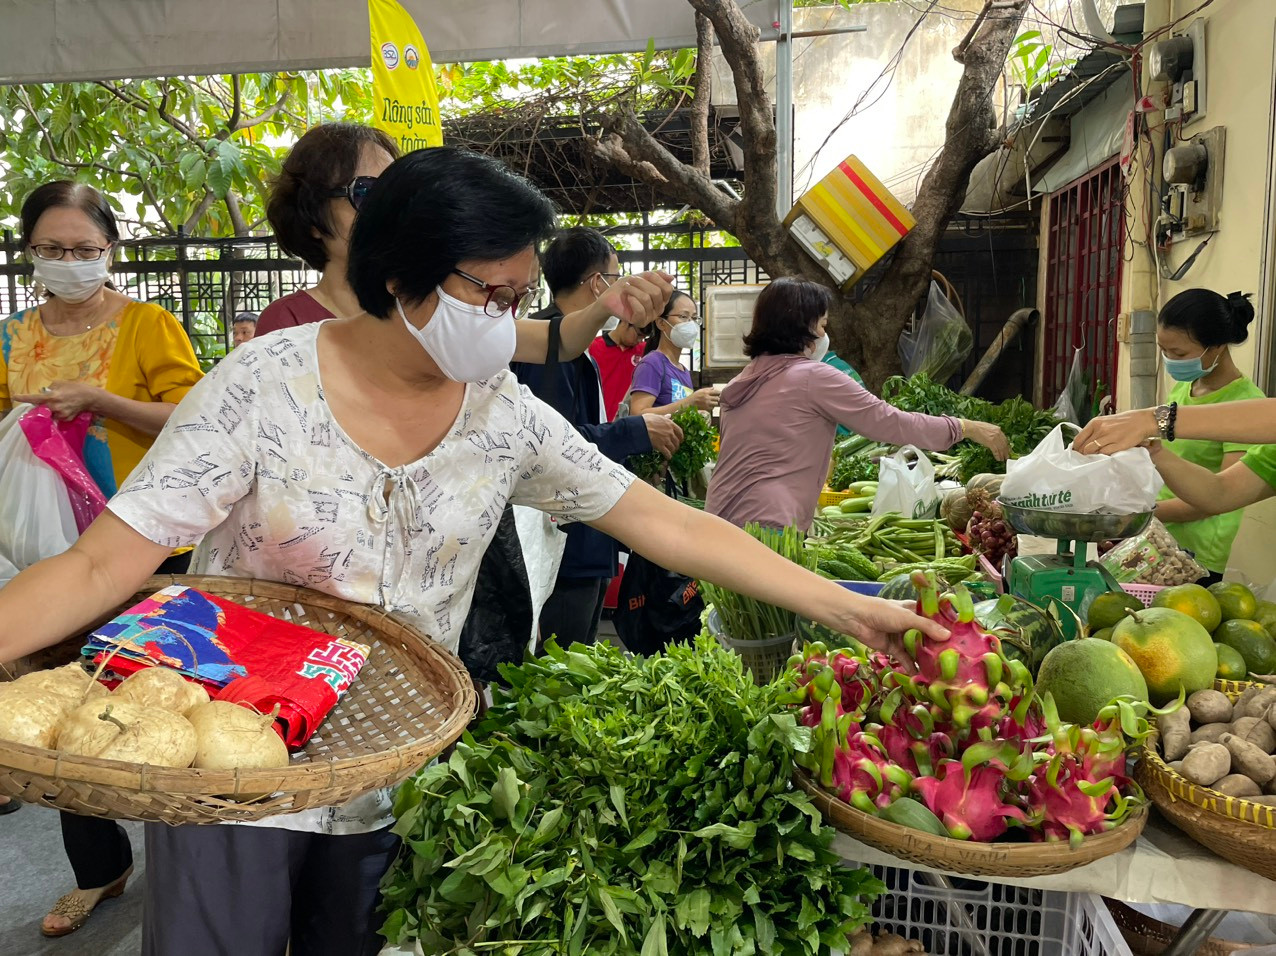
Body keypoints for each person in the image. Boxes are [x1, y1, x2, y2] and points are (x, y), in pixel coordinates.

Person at [0, 148, 947, 956]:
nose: (503, 319)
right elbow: (98, 567)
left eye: (517, 295)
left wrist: (846, 607)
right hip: (235, 767)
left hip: (391, 777)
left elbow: (666, 523)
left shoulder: (503, 415)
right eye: (482, 292)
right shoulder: (261, 388)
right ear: (397, 277)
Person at [0, 180, 203, 938]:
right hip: (51, 559)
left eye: (85, 251)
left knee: (172, 709)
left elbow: (193, 415)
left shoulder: (147, 325)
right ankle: (100, 870)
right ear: (30, 253)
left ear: (110, 251)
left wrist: (104, 402)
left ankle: (191, 870)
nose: (70, 263)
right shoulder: (12, 334)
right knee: (68, 723)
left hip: (150, 551)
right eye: (53, 250)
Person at [256, 122, 658, 355]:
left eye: (399, 190)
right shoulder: (284, 325)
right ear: (311, 219)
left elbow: (550, 342)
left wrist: (605, 304)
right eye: (366, 192)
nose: (391, 208)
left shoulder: (428, 302)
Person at [705, 277, 1010, 531]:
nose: (825, 336)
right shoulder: (812, 376)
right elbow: (889, 422)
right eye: (823, 326)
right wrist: (964, 427)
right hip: (766, 523)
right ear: (802, 327)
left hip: (719, 516)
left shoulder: (744, 379)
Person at [512, 227, 684, 647]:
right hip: (564, 545)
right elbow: (554, 447)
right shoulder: (543, 346)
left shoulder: (574, 345)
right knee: (562, 669)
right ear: (598, 284)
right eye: (617, 276)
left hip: (586, 535)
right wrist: (635, 430)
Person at [1150, 289, 1262, 583]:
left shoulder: (1248, 408)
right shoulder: (1186, 387)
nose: (1170, 360)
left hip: (1198, 554)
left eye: (1179, 354)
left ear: (1217, 347)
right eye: (1164, 350)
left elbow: (1221, 495)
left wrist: (1147, 513)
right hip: (1161, 537)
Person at [627, 290, 720, 417]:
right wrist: (689, 403)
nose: (691, 324)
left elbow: (677, 413)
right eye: (683, 317)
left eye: (694, 318)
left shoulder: (683, 371)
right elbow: (637, 414)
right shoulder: (652, 364)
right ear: (661, 323)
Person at [589, 299, 647, 421]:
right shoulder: (594, 347)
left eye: (644, 337)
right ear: (625, 322)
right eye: (638, 334)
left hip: (628, 423)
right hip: (599, 419)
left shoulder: (644, 351)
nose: (640, 340)